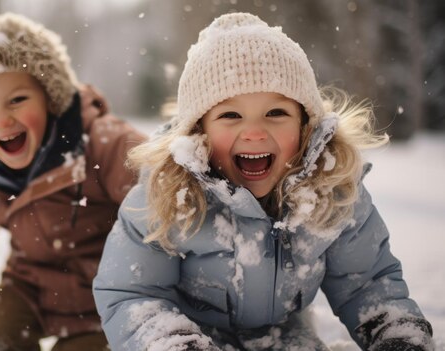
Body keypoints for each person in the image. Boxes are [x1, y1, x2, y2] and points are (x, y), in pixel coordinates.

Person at [93, 12, 433, 351]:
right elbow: (134, 293)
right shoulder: (169, 195)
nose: (255, 132)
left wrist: (397, 336)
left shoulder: (332, 191)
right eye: (230, 115)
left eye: (276, 113)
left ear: (305, 127)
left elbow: (366, 284)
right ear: (199, 131)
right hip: (192, 337)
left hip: (286, 340)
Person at [0, 12, 146, 351]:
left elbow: (158, 194)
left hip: (107, 291)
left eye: (17, 100)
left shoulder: (100, 142)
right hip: (29, 285)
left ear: (49, 97)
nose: (3, 120)